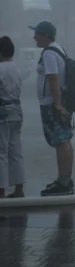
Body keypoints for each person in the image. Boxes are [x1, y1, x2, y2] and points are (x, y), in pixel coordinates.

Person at [30, 20, 74, 196]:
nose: (34, 37)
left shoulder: (49, 53)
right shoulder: (58, 48)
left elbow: (54, 78)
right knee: (65, 141)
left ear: (45, 35)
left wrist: (56, 104)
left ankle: (63, 183)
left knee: (60, 142)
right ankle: (64, 179)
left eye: (37, 34)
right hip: (58, 101)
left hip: (51, 103)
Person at [0, 36, 25, 198]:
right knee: (16, 151)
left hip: (2, 113)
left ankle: (1, 191)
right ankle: (19, 189)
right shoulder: (16, 68)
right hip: (17, 111)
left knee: (1, 152)